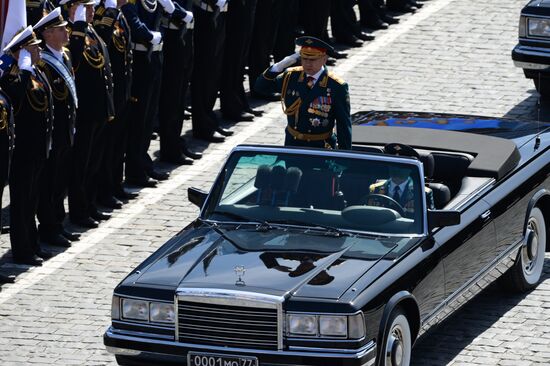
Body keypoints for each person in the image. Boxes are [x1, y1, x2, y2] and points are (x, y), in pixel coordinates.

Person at [1, 26, 54, 266]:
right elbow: (16, 98)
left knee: (32, 199)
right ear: (21, 51)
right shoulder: (13, 76)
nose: (38, 50)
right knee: (21, 203)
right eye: (33, 47)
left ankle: (32, 243)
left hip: (37, 147)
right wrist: (22, 71)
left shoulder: (34, 71)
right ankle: (22, 249)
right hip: (22, 151)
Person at [254, 36, 352, 150]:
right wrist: (277, 67)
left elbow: (343, 124)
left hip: (321, 146)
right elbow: (260, 88)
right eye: (304, 59)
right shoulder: (290, 76)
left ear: (324, 59)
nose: (308, 64)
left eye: (313, 59)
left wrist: (344, 156)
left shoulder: (336, 86)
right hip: (293, 143)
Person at [34, 7, 79, 247]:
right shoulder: (43, 62)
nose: (66, 32)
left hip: (67, 130)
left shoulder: (65, 55)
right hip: (54, 133)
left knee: (61, 180)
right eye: (61, 30)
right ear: (48, 33)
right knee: (49, 182)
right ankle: (48, 228)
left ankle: (58, 224)